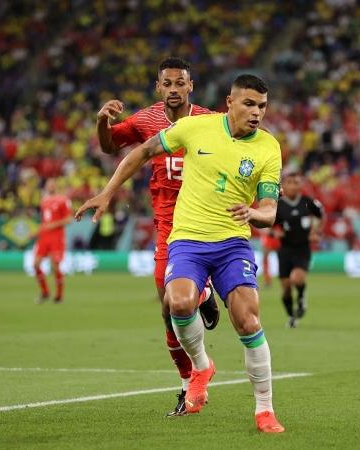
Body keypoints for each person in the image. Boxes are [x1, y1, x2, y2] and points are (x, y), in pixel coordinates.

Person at [76, 74, 285, 433]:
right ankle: (202, 366)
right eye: (249, 104)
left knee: (248, 321)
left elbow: (269, 208)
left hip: (233, 243)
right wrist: (108, 192)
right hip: (187, 239)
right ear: (229, 102)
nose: (256, 113)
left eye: (262, 106)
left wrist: (255, 214)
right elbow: (142, 151)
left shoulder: (268, 147)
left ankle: (264, 410)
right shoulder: (195, 128)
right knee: (179, 303)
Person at [96, 57, 220, 416]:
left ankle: (204, 292)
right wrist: (102, 122)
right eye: (167, 84)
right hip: (167, 225)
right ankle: (188, 381)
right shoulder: (147, 119)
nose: (173, 90)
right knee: (168, 310)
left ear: (190, 86)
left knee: (177, 297)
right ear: (158, 87)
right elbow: (109, 147)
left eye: (180, 83)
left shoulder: (210, 121)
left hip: (203, 222)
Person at [274, 170, 324, 328]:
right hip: (285, 249)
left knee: (297, 278)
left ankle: (301, 297)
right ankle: (291, 317)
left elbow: (321, 215)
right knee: (286, 288)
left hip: (302, 248)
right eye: (290, 183)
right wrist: (275, 231)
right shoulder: (278, 205)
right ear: (284, 185)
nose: (294, 186)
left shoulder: (308, 202)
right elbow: (270, 224)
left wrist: (316, 231)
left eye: (297, 183)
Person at [33, 178, 72, 303]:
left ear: (56, 186)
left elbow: (68, 220)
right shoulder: (44, 201)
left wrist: (53, 225)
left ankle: (59, 295)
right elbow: (44, 222)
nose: (50, 186)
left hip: (56, 237)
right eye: (48, 184)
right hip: (44, 237)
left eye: (52, 184)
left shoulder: (63, 200)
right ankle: (45, 292)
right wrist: (36, 232)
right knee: (36, 264)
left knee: (55, 265)